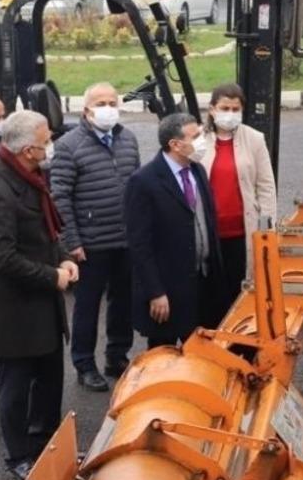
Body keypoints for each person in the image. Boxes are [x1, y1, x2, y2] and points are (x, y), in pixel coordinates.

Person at [0, 111, 77, 480]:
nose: (52, 145)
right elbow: (2, 260)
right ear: (28, 150)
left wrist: (63, 256)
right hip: (15, 310)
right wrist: (53, 277)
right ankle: (19, 455)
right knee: (15, 388)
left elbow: (46, 231)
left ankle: (47, 441)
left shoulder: (30, 177)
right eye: (46, 140)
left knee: (49, 378)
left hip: (42, 303)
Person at [51, 83, 140, 391]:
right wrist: (72, 241)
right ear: (86, 110)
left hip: (125, 239)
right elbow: (59, 196)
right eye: (100, 102)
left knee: (123, 302)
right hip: (90, 243)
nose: (107, 107)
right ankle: (84, 363)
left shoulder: (127, 139)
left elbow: (136, 189)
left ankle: (117, 355)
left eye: (112, 101)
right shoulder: (68, 145)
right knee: (87, 306)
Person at [124, 113, 222, 347]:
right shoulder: (144, 182)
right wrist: (155, 292)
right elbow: (139, 244)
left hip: (202, 284)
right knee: (163, 359)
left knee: (201, 355)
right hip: (167, 291)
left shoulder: (198, 171)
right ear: (175, 145)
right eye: (195, 136)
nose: (202, 141)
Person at [198, 83, 277, 322]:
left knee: (239, 290)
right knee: (209, 292)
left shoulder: (254, 139)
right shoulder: (198, 140)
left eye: (235, 108)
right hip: (207, 233)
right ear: (212, 109)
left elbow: (265, 186)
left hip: (241, 231)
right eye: (224, 108)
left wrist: (268, 227)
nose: (229, 113)